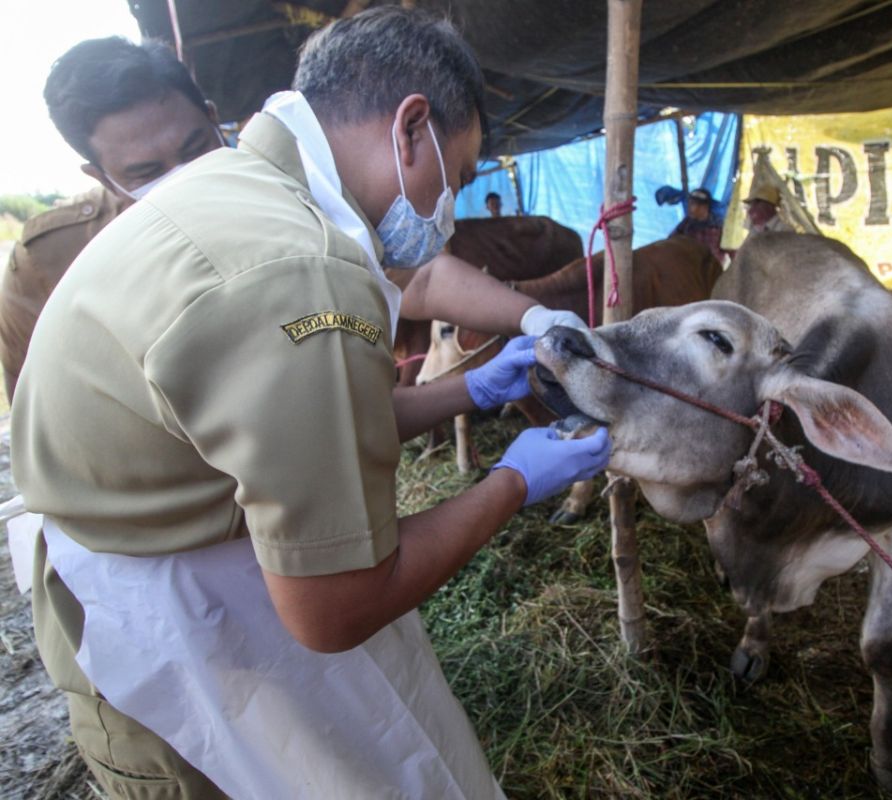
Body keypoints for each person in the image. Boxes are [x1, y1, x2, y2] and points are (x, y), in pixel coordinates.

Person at [11, 8, 606, 799]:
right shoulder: (302, 275)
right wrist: (512, 481)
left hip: (180, 544)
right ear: (411, 128)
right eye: (456, 179)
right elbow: (334, 611)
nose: (450, 210)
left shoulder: (249, 188)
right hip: (173, 630)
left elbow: (295, 438)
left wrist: (466, 388)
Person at [0, 37, 226, 402]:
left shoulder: (295, 186)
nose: (184, 178)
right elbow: (40, 411)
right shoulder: (50, 259)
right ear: (102, 177)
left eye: (195, 148)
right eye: (147, 172)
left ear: (213, 119)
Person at [669, 186, 722, 260]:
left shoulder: (718, 226)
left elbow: (731, 251)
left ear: (704, 207)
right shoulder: (686, 223)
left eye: (694, 205)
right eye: (690, 204)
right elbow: (670, 241)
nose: (691, 208)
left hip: (710, 267)